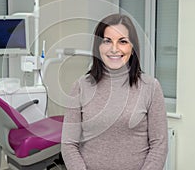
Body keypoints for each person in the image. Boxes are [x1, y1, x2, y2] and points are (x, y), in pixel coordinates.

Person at [61, 13, 168, 170]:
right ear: (98, 47)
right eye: (107, 41)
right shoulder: (80, 87)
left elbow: (159, 145)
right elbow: (69, 144)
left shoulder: (150, 87)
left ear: (132, 48)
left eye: (123, 41)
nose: (114, 49)